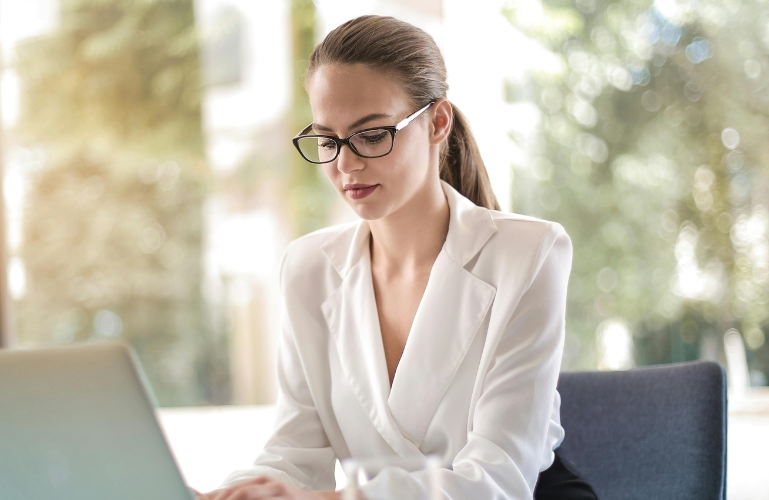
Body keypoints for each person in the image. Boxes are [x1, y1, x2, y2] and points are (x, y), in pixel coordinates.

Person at [197, 15, 598, 500]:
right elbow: (293, 455)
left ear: (437, 122)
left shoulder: (529, 254)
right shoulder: (308, 268)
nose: (345, 164)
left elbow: (498, 477)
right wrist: (230, 494)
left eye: (371, 135)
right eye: (328, 139)